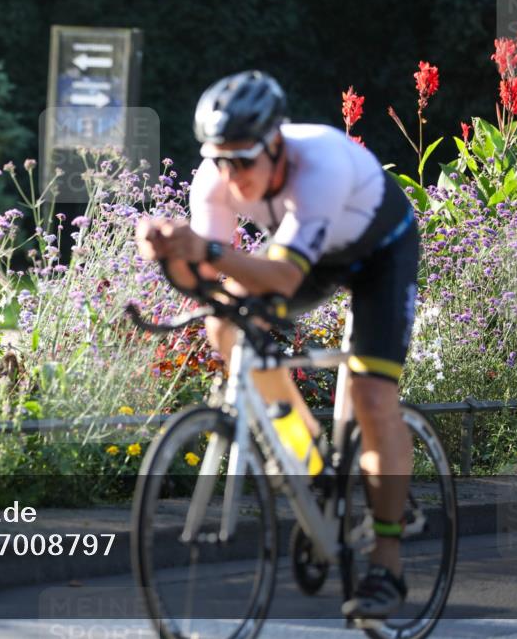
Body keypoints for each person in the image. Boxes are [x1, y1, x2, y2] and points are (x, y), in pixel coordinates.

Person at [135, 70, 419, 620]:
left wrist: (202, 251)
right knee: (225, 325)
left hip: (379, 253)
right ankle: (310, 458)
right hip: (308, 254)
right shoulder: (214, 180)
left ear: (275, 145)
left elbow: (285, 277)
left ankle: (387, 562)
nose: (232, 175)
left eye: (243, 161)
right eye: (221, 160)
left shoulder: (319, 165)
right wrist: (171, 255)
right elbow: (211, 281)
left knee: (372, 396)